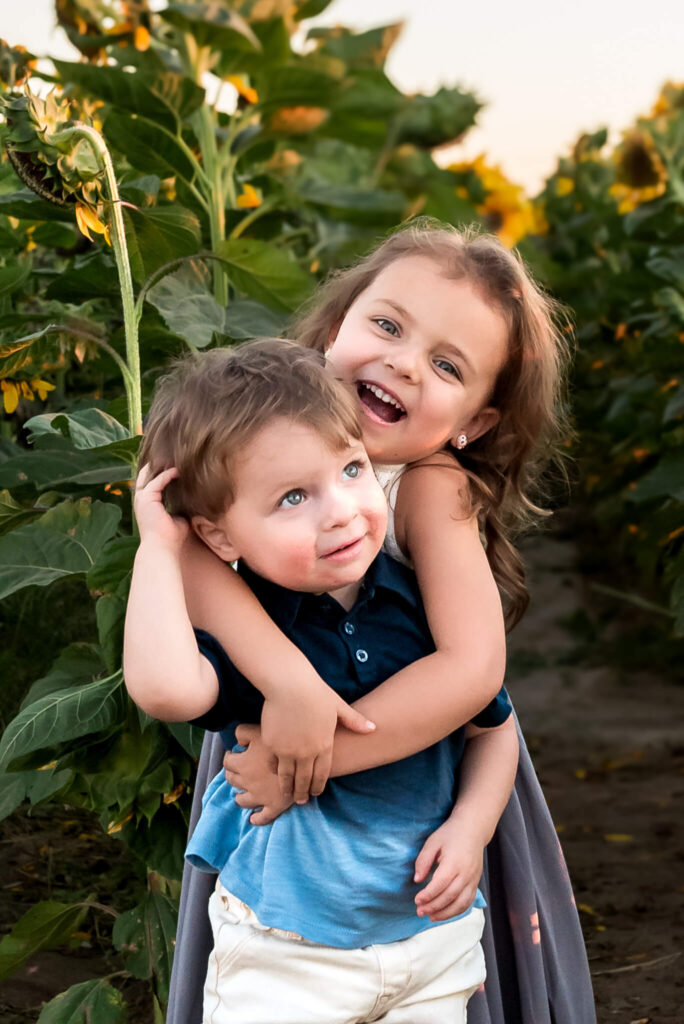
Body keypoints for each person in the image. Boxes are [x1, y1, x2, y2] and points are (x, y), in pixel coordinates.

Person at [167, 223, 596, 1024]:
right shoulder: (258, 429)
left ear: (475, 422)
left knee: (413, 960)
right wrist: (290, 686)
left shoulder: (430, 485)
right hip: (288, 756)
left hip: (417, 767)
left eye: (445, 366)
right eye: (388, 326)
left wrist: (315, 750)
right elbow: (189, 556)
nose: (403, 362)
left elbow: (472, 672)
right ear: (335, 331)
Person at [124, 338, 520, 1024]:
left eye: (352, 468)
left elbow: (493, 731)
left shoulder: (422, 605)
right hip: (288, 952)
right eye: (293, 497)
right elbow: (165, 690)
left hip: (428, 941)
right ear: (220, 538)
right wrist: (160, 548)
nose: (338, 510)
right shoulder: (259, 638)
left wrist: (471, 827)